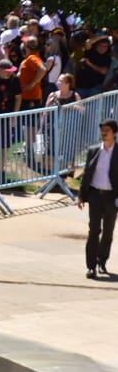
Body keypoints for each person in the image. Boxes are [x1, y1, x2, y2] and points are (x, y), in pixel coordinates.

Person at [78, 119, 118, 279]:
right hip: (95, 195)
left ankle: (102, 260)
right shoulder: (94, 150)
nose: (104, 133)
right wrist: (81, 195)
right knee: (94, 231)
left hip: (111, 197)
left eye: (107, 130)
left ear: (114, 133)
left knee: (108, 232)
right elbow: (87, 174)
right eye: (102, 130)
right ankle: (91, 266)